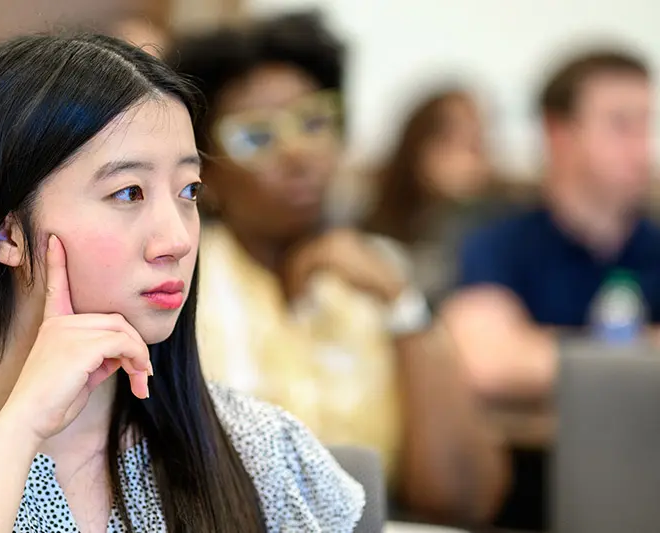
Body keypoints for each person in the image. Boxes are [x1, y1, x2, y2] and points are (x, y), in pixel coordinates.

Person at [0, 33, 366, 533]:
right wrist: (17, 432)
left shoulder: (260, 450)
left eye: (188, 190)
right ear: (7, 232)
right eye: (128, 193)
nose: (176, 239)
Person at [174, 11, 508, 524]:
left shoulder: (383, 272)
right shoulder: (180, 281)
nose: (298, 153)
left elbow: (464, 500)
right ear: (207, 170)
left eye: (314, 122)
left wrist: (405, 309)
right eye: (257, 137)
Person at [442, 48, 660, 530]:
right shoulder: (497, 242)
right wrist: (643, 351)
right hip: (526, 495)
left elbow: (515, 357)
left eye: (647, 124)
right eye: (621, 125)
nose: (642, 146)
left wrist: (543, 353)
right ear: (559, 133)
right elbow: (487, 362)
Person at [362, 88, 535, 305]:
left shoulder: (509, 220)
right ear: (419, 147)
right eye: (451, 139)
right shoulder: (378, 226)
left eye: (477, 141)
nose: (470, 156)